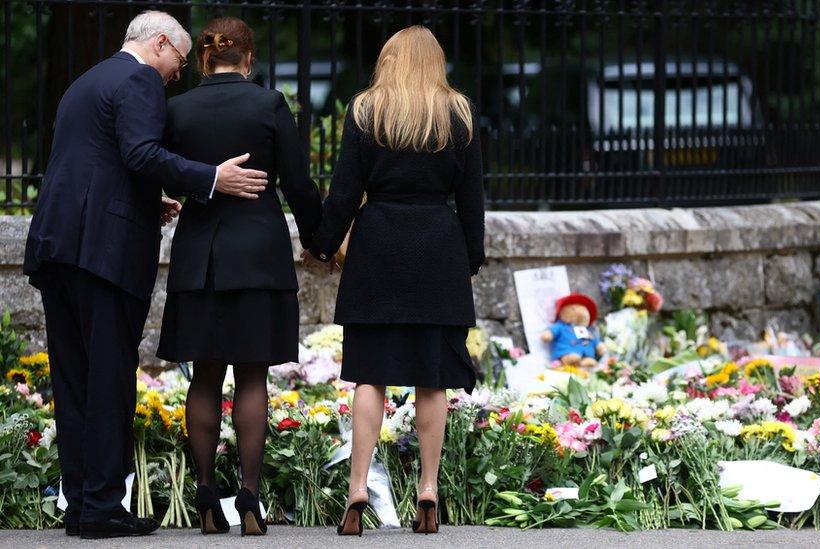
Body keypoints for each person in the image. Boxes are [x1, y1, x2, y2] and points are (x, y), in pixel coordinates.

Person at [22, 10, 268, 539]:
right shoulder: (138, 79)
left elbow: (96, 162)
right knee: (108, 378)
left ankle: (82, 503)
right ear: (159, 44)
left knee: (73, 380)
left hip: (59, 244)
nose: (176, 75)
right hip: (103, 254)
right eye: (177, 63)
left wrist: (144, 198)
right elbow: (140, 151)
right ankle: (104, 506)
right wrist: (211, 178)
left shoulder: (86, 80)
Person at [308, 25, 486, 536]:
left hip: (378, 246)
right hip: (438, 247)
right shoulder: (458, 114)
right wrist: (469, 258)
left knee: (370, 376)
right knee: (433, 379)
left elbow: (344, 191)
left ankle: (358, 486)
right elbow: (472, 198)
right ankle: (428, 487)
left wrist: (323, 241)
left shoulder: (367, 111)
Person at [155, 16, 323, 536]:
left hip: (199, 256)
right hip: (258, 256)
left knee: (205, 374)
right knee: (252, 375)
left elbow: (154, 167)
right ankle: (248, 496)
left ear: (203, 59)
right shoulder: (270, 105)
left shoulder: (176, 108)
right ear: (248, 59)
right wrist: (322, 243)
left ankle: (207, 494)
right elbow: (297, 182)